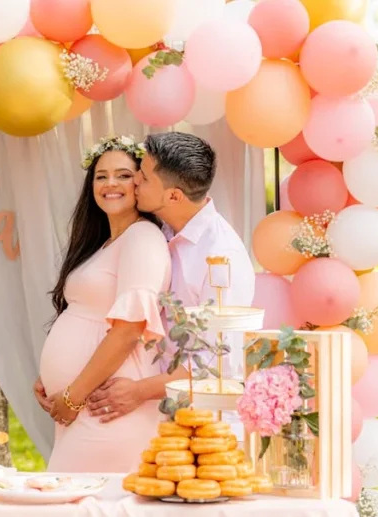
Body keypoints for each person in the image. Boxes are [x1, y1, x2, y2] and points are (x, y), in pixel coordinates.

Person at [90, 131, 256, 434]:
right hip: (157, 417)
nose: (135, 181)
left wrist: (139, 390)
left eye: (144, 177)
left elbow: (217, 365)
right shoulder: (158, 230)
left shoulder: (220, 257)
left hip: (205, 425)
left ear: (174, 196)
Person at [33, 136, 175, 473]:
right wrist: (53, 382)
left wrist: (72, 395)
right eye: (101, 176)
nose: (111, 183)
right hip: (81, 403)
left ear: (141, 183)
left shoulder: (143, 238)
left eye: (124, 175)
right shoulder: (107, 244)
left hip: (104, 406)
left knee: (77, 503)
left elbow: (128, 331)